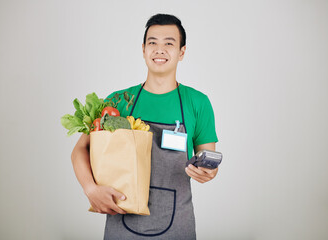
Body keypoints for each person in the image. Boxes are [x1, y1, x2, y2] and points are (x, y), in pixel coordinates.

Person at [71, 13, 219, 239]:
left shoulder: (197, 102)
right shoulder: (118, 102)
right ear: (143, 50)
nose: (159, 50)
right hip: (122, 216)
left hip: (178, 223)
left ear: (181, 52)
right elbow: (80, 149)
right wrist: (90, 188)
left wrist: (209, 171)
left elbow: (208, 158)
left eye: (169, 43)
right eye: (152, 43)